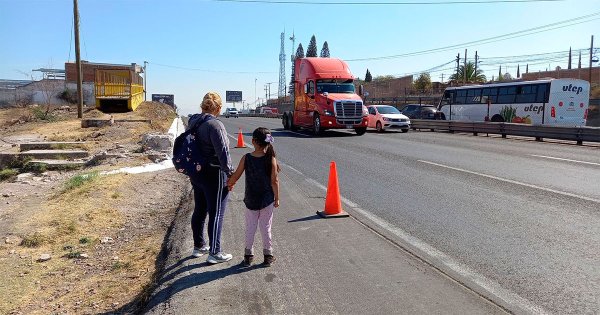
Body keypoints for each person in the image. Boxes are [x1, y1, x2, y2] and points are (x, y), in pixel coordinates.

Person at [188, 92, 234, 264]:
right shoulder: (215, 125)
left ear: (202, 106)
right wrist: (230, 175)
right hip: (214, 173)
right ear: (219, 108)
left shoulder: (194, 120)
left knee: (200, 209)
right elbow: (223, 153)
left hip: (196, 171)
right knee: (216, 213)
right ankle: (215, 251)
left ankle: (199, 246)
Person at [227, 127, 280, 267]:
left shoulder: (247, 158)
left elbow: (236, 176)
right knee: (266, 227)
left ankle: (248, 256)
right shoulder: (271, 159)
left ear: (253, 141)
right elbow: (274, 181)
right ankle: (268, 256)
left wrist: (229, 183)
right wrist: (277, 198)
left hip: (250, 199)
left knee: (250, 227)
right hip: (267, 200)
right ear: (268, 143)